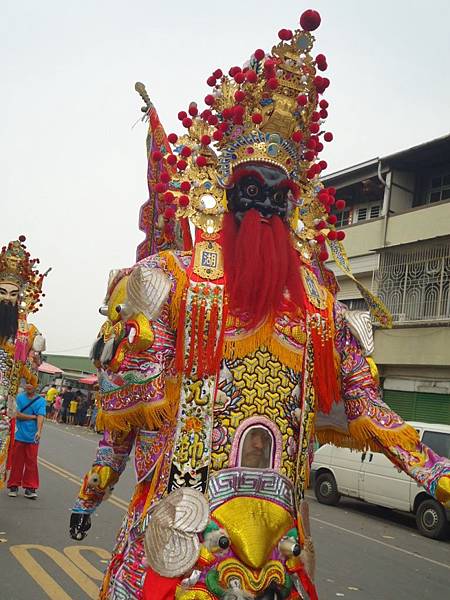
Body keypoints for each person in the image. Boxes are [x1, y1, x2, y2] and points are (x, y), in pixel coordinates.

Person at [69, 10, 450, 600]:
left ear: (294, 208)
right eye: (250, 190)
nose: (264, 209)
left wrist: (434, 470)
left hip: (281, 546)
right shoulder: (177, 283)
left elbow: (364, 405)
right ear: (223, 193)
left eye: (279, 197)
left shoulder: (320, 307)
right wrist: (95, 485)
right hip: (186, 533)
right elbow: (125, 410)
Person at [0, 237, 47, 491]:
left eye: (13, 294)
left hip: (4, 406)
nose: (7, 299)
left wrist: (27, 356)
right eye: (2, 292)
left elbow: (32, 379)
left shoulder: (26, 333)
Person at [7, 383, 46, 499]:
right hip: (19, 435)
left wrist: (39, 431)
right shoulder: (19, 398)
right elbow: (16, 414)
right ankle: (13, 486)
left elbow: (41, 416)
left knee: (31, 462)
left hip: (32, 437)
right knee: (17, 461)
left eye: (31, 385)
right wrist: (32, 417)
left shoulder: (41, 401)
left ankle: (30, 487)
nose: (28, 387)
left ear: (36, 386)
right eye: (27, 385)